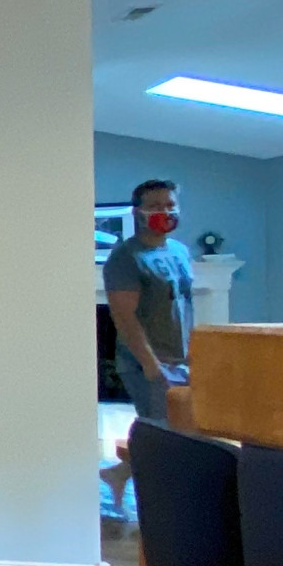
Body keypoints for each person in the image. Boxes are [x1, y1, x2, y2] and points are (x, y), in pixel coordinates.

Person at [105, 178, 194, 425]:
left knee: (188, 430)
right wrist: (151, 366)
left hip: (182, 361)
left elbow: (184, 306)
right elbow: (124, 317)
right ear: (137, 212)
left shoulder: (180, 251)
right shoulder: (125, 257)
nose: (165, 211)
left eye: (170, 204)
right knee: (164, 434)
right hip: (149, 365)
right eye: (155, 206)